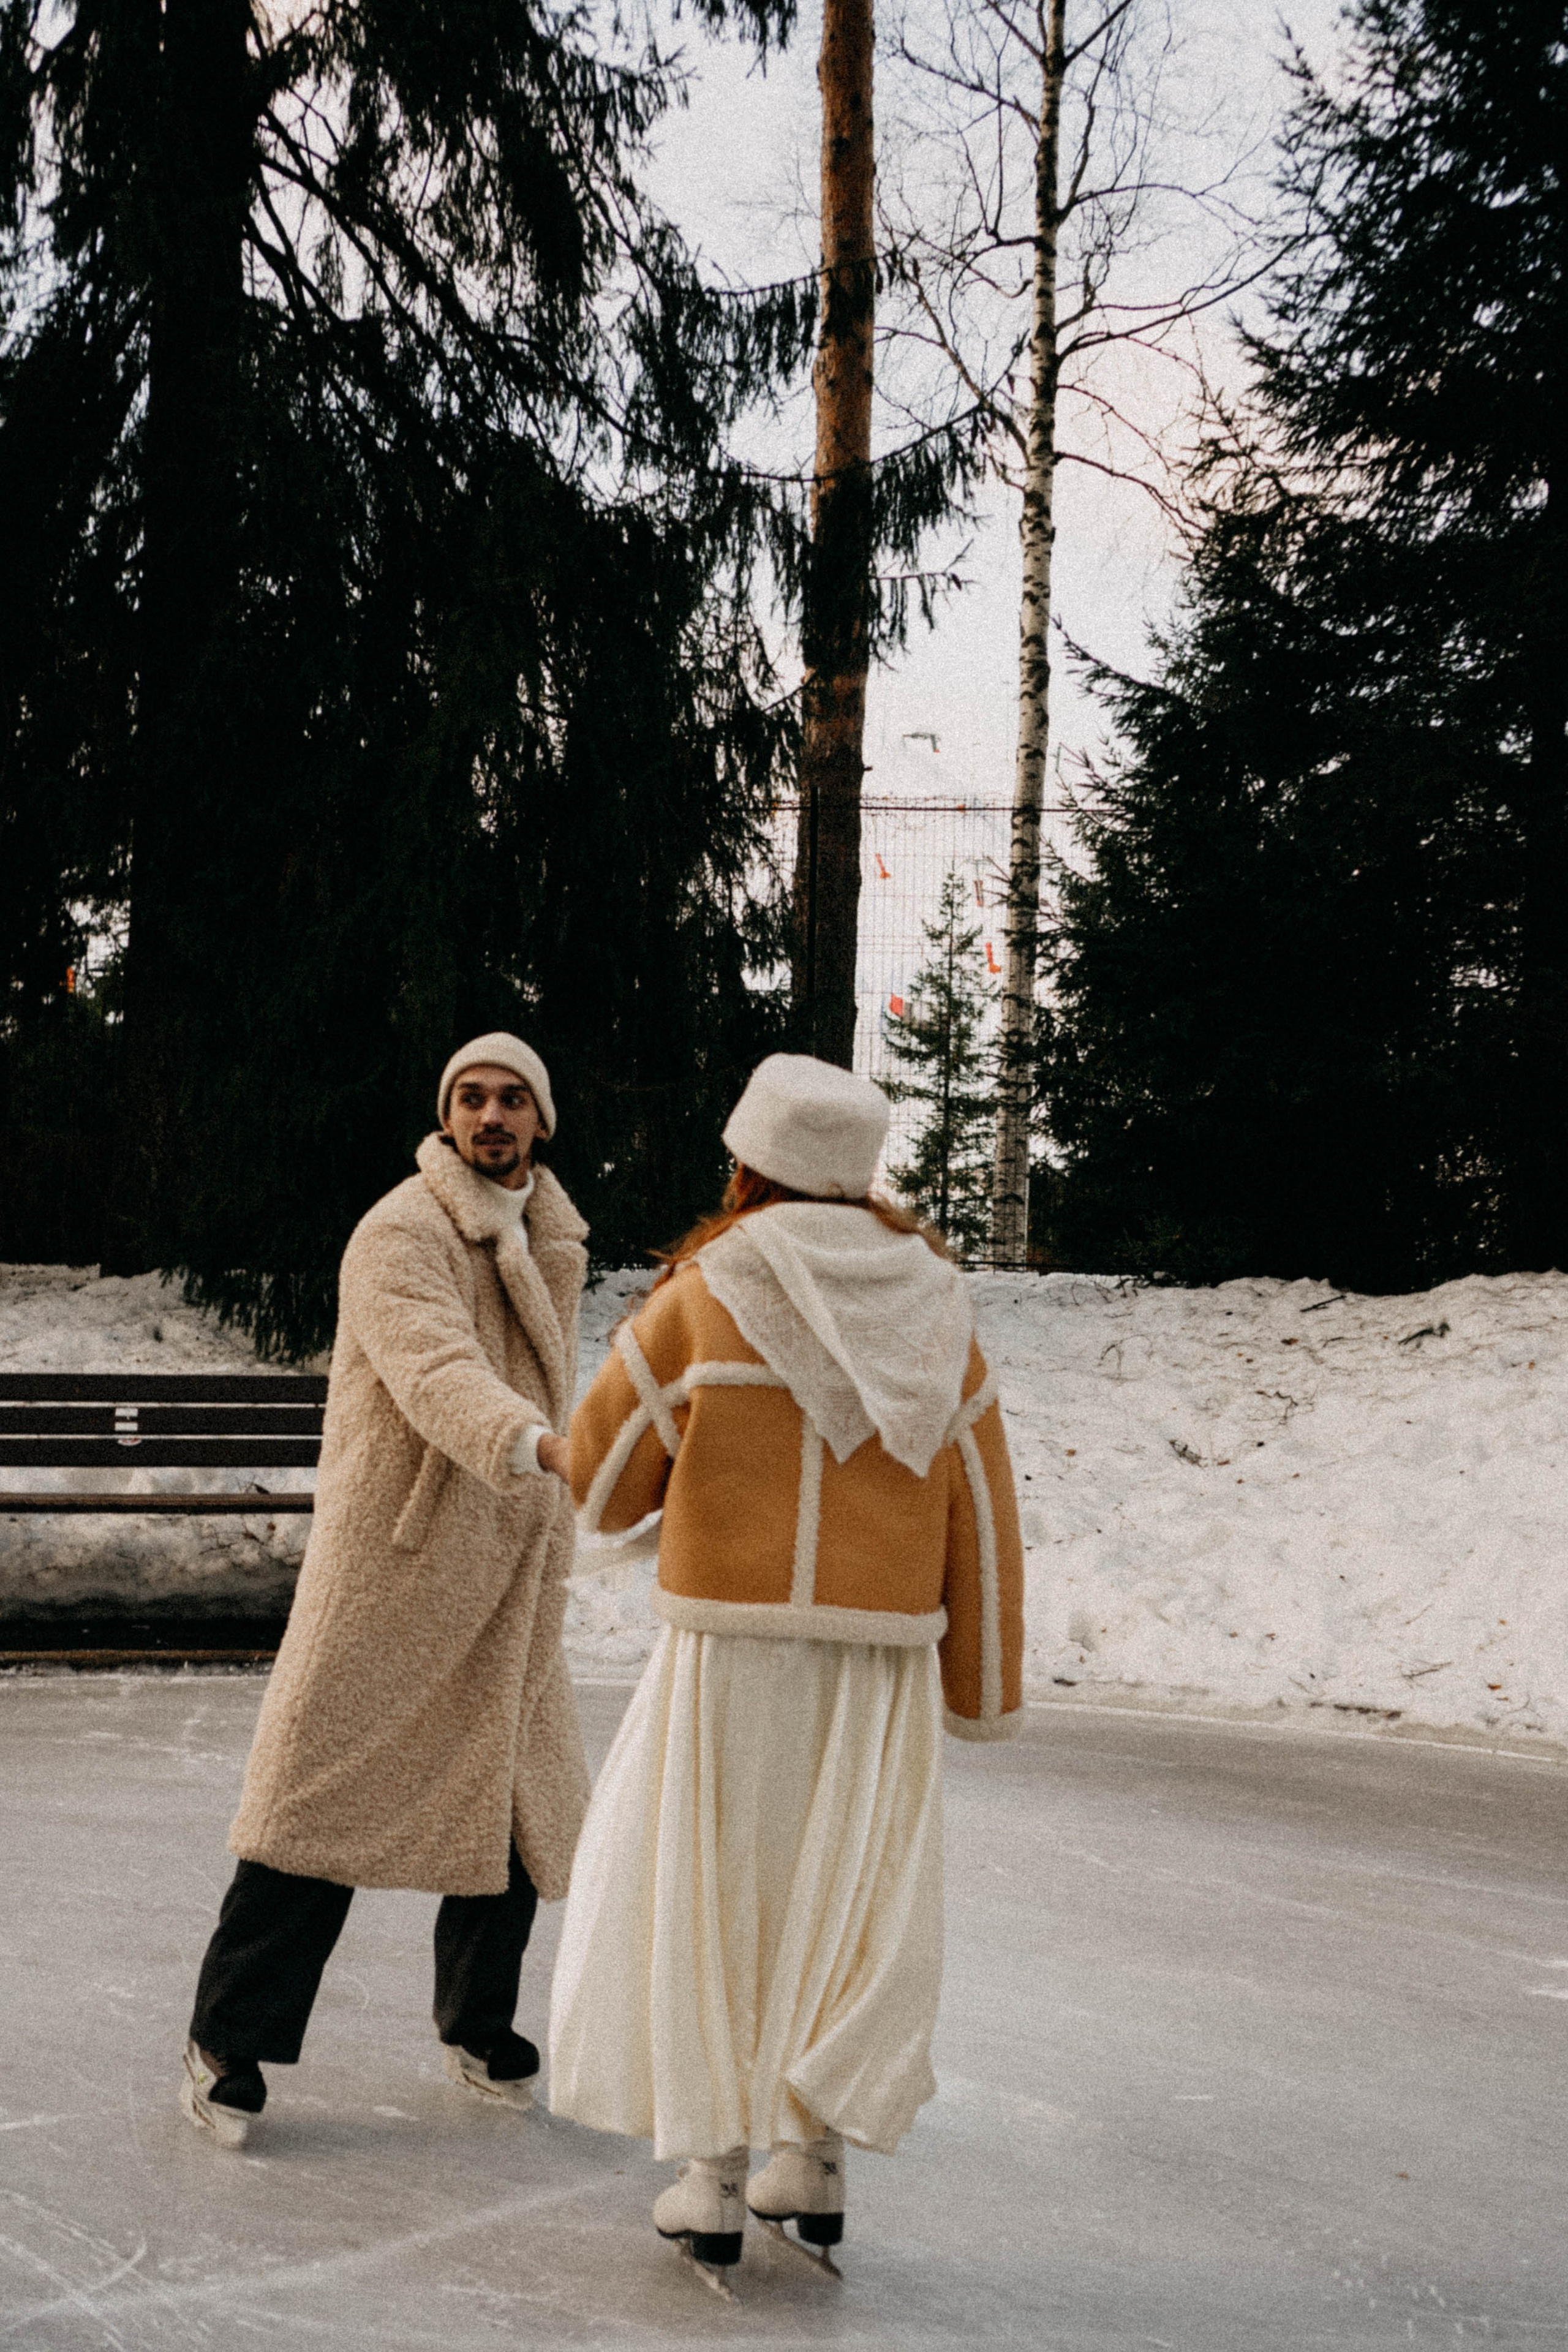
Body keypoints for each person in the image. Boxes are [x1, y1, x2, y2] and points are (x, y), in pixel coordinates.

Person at [549, 1052, 1024, 2282]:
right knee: (843, 1907)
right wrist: (981, 1681)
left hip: (728, 1650)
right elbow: (979, 1497)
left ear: (749, 1157)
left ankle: (704, 2176)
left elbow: (603, 1484)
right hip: (874, 1670)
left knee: (709, 1895)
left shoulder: (708, 1288)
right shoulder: (936, 1299)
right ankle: (808, 2159)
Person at [179, 1033, 590, 2149]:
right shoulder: (401, 1229)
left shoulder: (552, 1236)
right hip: (398, 1569)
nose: (491, 1115)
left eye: (512, 1099)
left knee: (506, 1803)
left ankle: (476, 2026)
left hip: (506, 1567)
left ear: (541, 1122)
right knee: (319, 1800)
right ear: (446, 1115)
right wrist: (540, 1447)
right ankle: (226, 2040)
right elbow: (434, 1367)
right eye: (471, 1098)